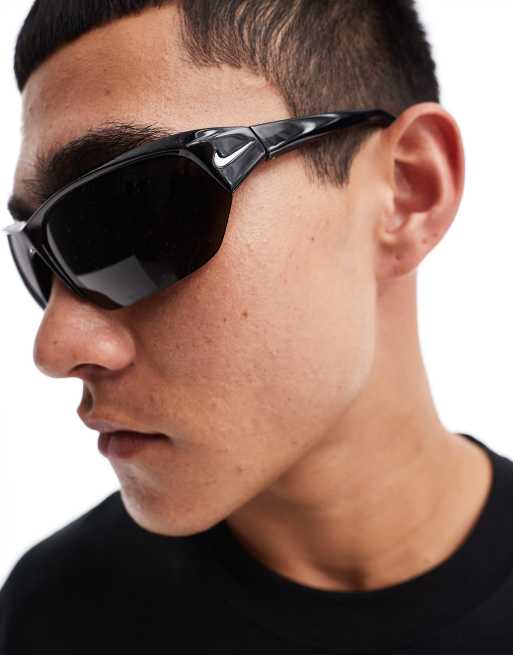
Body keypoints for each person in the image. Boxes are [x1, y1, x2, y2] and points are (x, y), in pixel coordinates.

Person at [1, 1, 512, 652]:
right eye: (39, 258)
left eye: (132, 214)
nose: (56, 347)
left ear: (407, 191)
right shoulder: (53, 619)